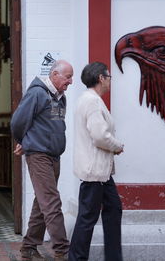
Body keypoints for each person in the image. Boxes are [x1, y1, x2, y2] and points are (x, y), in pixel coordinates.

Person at [11, 60, 74, 261]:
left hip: (54, 156)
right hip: (39, 155)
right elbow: (18, 122)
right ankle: (63, 250)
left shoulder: (60, 97)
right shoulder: (37, 93)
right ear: (54, 74)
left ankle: (28, 248)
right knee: (52, 202)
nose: (71, 81)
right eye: (68, 77)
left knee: (43, 202)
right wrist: (24, 141)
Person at [69, 62, 124, 261]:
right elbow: (100, 136)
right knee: (87, 218)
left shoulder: (90, 99)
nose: (110, 80)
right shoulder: (92, 101)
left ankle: (113, 257)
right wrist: (117, 146)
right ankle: (76, 258)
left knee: (113, 210)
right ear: (101, 78)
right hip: (95, 170)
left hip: (102, 171)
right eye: (108, 76)